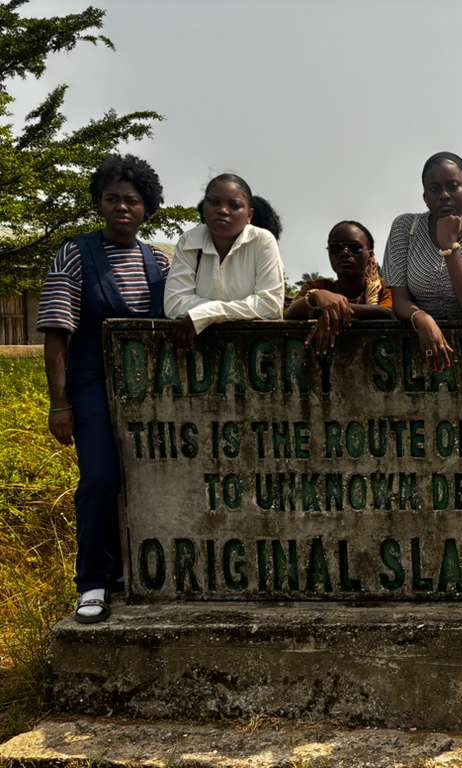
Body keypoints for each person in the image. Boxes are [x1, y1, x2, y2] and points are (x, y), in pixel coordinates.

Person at [37, 154, 170, 623]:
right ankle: (92, 582)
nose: (122, 208)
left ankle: (133, 575)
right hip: (92, 387)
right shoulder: (76, 253)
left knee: (148, 484)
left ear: (147, 207)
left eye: (132, 200)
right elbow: (56, 334)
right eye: (112, 199)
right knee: (99, 480)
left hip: (149, 395)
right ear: (98, 202)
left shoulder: (158, 260)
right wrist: (60, 403)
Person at [383, 152, 462, 371]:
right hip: (418, 339)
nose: (444, 195)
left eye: (453, 186)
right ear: (425, 197)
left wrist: (449, 245)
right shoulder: (405, 227)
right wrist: (421, 318)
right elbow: (399, 300)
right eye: (435, 189)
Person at [164, 173, 285, 348]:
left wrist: (205, 314)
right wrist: (238, 309)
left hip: (254, 351)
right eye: (213, 202)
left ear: (249, 215)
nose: (222, 210)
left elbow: (270, 306)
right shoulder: (189, 240)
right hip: (200, 354)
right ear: (203, 208)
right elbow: (174, 303)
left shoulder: (263, 240)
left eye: (234, 205)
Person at [285, 220, 392, 353]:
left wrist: (330, 312)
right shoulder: (318, 287)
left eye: (354, 248)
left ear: (370, 255)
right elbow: (291, 312)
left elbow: (387, 312)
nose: (345, 253)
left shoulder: (384, 288)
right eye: (336, 249)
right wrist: (315, 297)